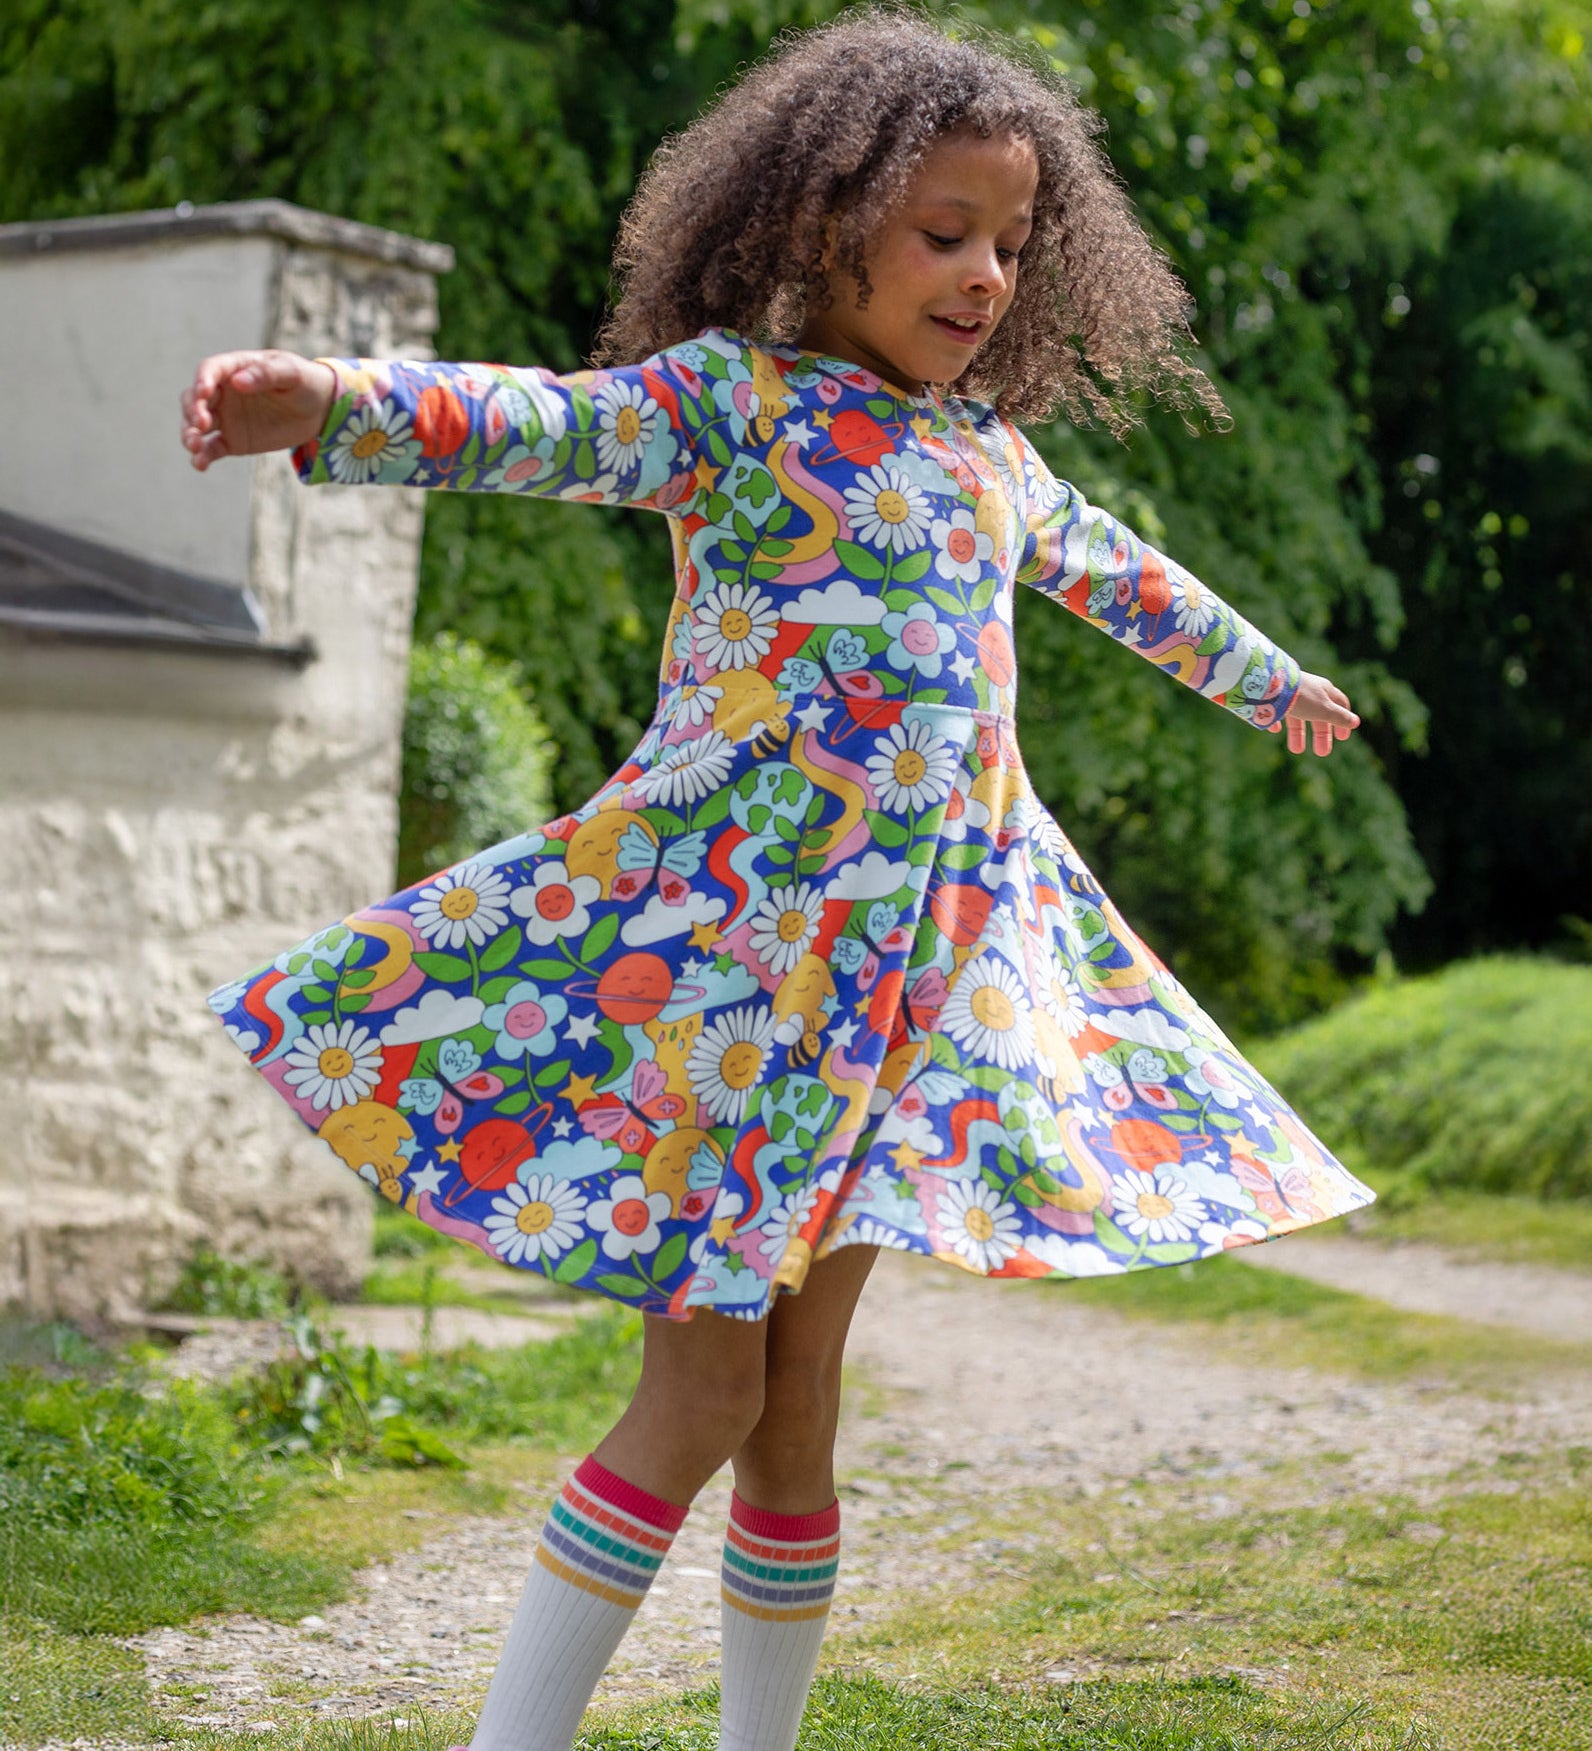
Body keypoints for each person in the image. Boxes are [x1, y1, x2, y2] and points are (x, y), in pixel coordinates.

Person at [181, 13, 1372, 1750]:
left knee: (797, 1403)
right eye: (942, 231)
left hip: (910, 989)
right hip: (741, 975)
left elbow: (1132, 577)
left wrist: (1272, 682)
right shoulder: (730, 404)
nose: (983, 276)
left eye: (1013, 246)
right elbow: (542, 422)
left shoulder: (988, 463)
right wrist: (337, 403)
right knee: (706, 1381)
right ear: (825, 224)